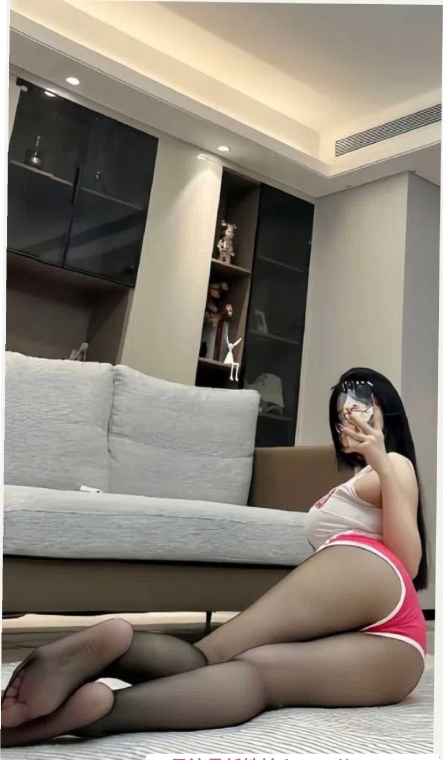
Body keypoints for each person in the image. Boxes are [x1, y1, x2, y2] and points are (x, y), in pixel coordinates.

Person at [1, 367, 428, 747]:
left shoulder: (393, 464)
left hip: (381, 605)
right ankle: (102, 709)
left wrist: (381, 459)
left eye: (356, 409)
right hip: (377, 622)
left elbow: (406, 565)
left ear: (383, 410)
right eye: (339, 416)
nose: (345, 422)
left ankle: (116, 649)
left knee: (216, 654)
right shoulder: (361, 477)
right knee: (254, 670)